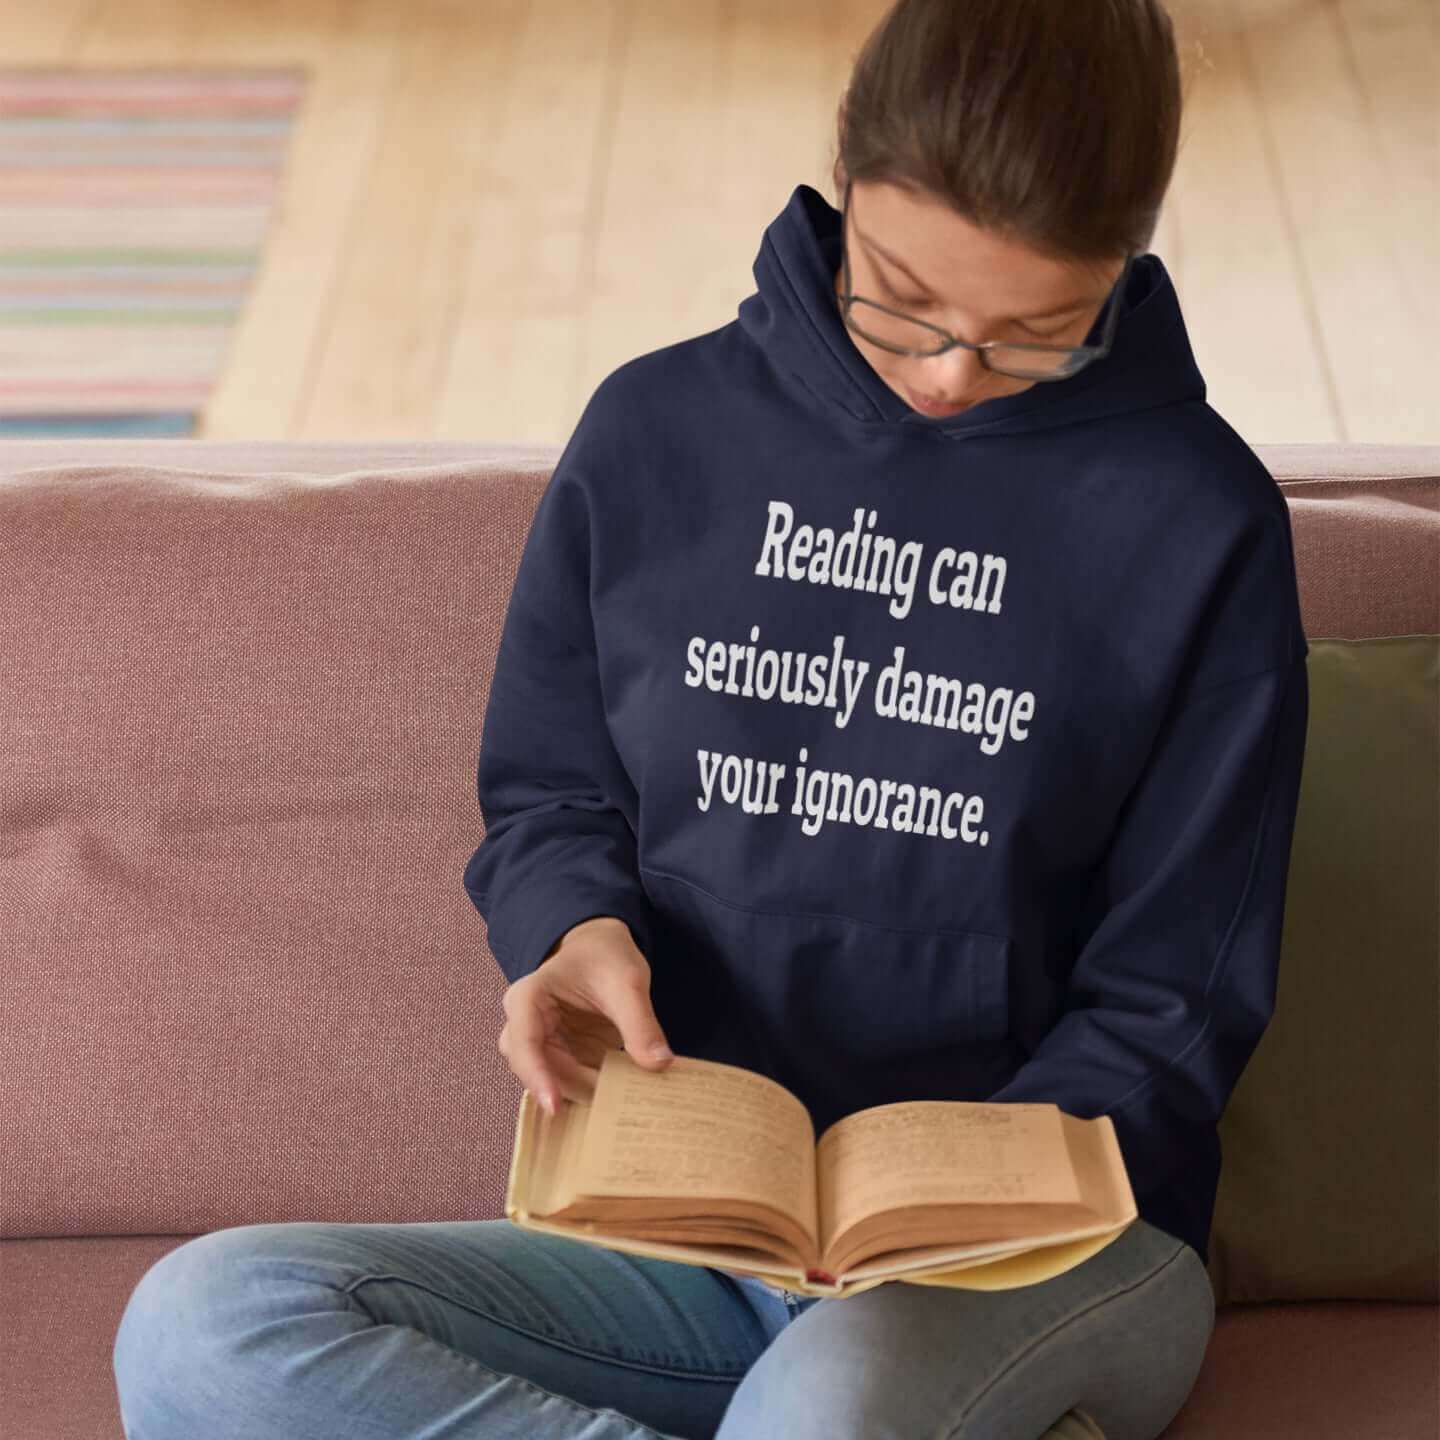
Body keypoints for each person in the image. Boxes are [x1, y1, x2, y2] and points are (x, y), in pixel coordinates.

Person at [112, 2, 1310, 1437]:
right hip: (693, 1243)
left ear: (1122, 266)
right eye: (899, 299)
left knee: (824, 1409)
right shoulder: (655, 433)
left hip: (1051, 1257)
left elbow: (1175, 998)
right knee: (205, 1329)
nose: (944, 376)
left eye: (1032, 338)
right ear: (843, 184)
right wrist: (572, 931)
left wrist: (957, 1201)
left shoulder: (1199, 522)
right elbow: (553, 788)